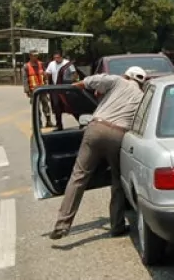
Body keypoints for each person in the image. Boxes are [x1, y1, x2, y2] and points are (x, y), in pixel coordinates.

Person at [49, 66, 147, 240]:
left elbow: (93, 80)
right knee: (117, 181)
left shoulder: (118, 81)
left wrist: (76, 86)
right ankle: (117, 226)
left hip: (95, 128)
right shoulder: (142, 98)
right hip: (119, 135)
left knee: (78, 176)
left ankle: (62, 224)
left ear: (126, 75)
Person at [45, 50, 79, 131]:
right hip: (55, 88)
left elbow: (75, 74)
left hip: (66, 89)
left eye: (58, 57)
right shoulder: (51, 64)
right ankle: (59, 125)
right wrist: (45, 75)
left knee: (70, 106)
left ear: (61, 57)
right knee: (56, 107)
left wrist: (71, 83)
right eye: (55, 58)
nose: (56, 59)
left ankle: (81, 122)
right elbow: (48, 73)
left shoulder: (67, 64)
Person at [22, 50, 53, 128]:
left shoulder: (41, 64)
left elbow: (45, 75)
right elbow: (25, 79)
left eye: (36, 55)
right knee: (36, 107)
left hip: (43, 89)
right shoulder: (26, 66)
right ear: (30, 56)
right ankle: (38, 123)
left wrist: (47, 84)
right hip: (33, 90)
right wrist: (27, 90)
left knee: (46, 106)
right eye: (33, 55)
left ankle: (48, 121)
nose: (35, 57)